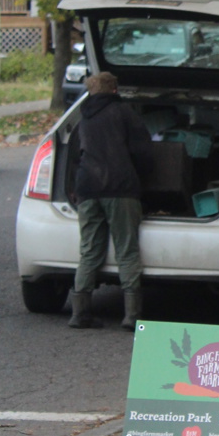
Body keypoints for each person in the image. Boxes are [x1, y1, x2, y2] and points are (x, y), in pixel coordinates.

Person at [69, 72, 154, 332]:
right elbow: (143, 151)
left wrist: (75, 188)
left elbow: (74, 155)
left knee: (89, 251)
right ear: (115, 89)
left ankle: (79, 313)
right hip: (120, 188)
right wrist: (143, 182)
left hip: (87, 189)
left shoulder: (83, 116)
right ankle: (131, 316)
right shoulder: (124, 112)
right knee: (126, 250)